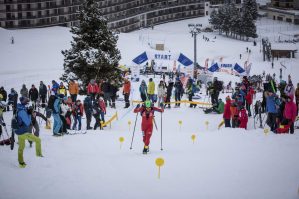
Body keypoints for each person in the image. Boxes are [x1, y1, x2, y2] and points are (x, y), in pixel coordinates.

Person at [15, 97, 43, 168]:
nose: (28, 103)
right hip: (23, 131)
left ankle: (21, 163)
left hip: (19, 131)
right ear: (23, 102)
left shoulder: (21, 109)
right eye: (26, 102)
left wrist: (28, 112)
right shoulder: (22, 111)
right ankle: (39, 155)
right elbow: (27, 122)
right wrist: (30, 114)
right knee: (38, 140)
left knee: (21, 147)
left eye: (28, 102)